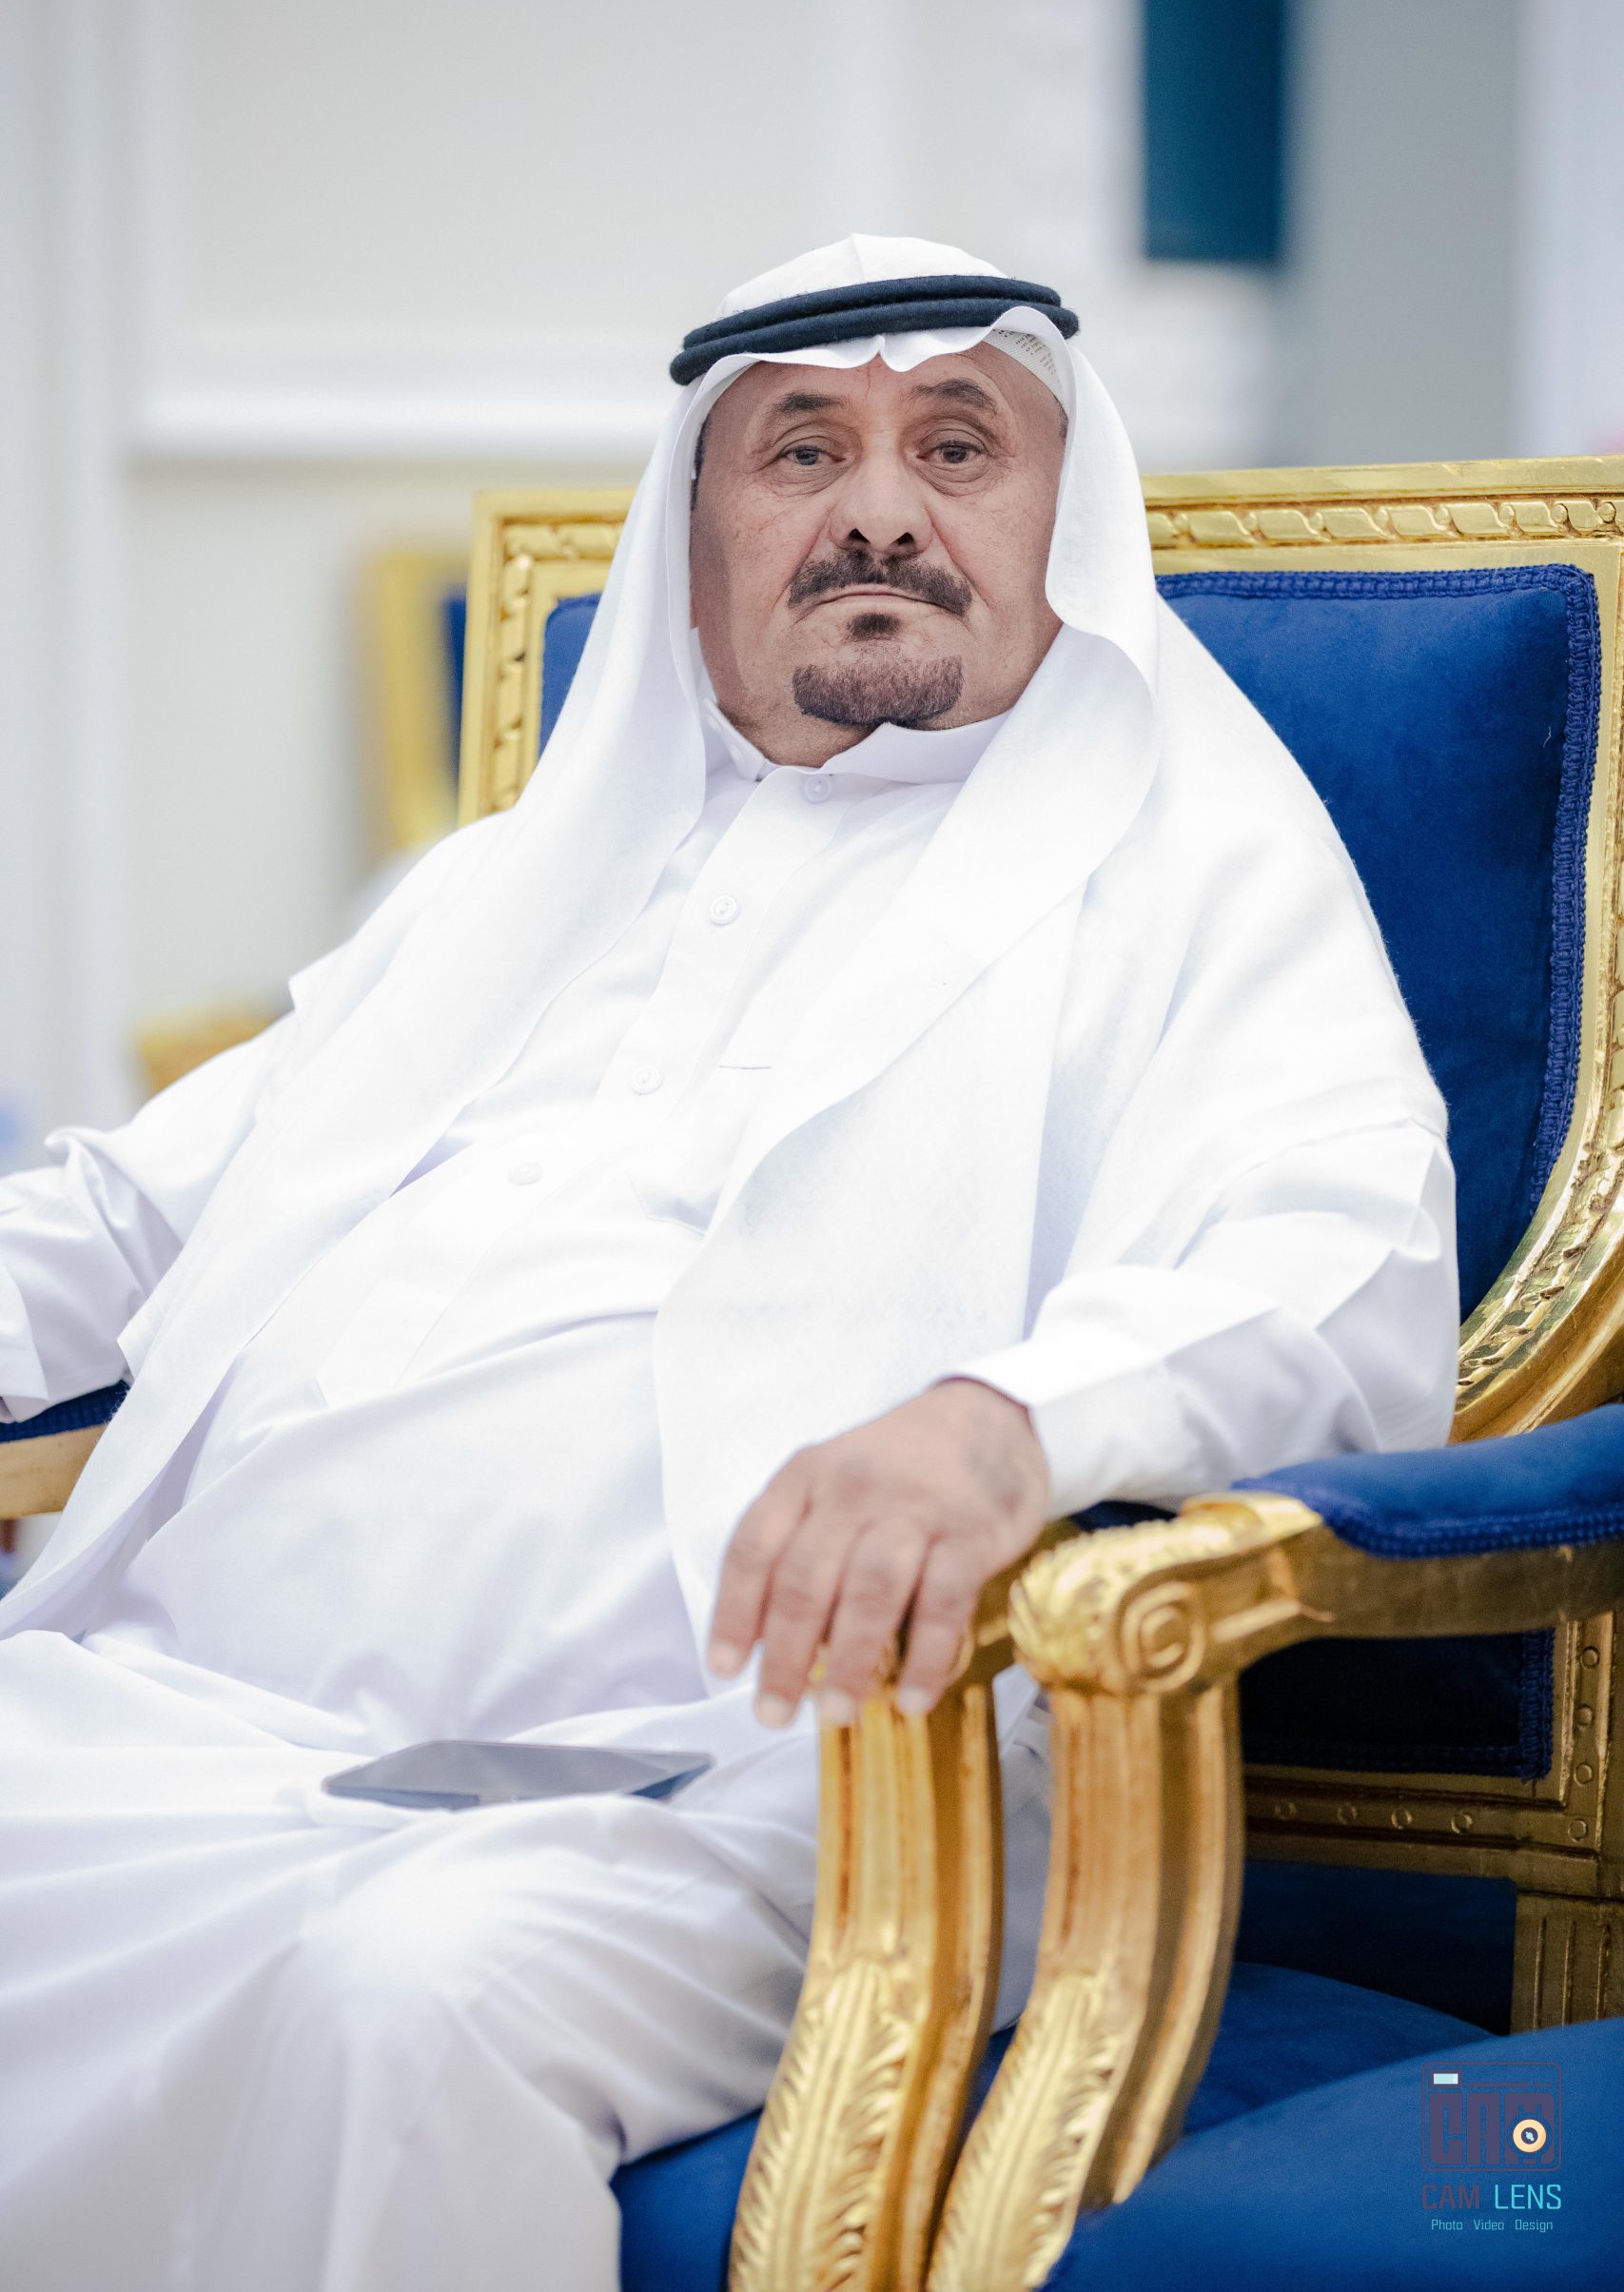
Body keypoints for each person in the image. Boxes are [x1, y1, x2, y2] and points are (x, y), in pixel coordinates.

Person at [0, 235, 1458, 2290]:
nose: (881, 508)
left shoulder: (1189, 867)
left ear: (1063, 523)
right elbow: (127, 1217)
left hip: (747, 1786)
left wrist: (1001, 1423)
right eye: (800, 450)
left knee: (407, 1992)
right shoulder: (512, 884)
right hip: (187, 1725)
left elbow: (1332, 1255)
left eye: (957, 444)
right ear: (694, 549)